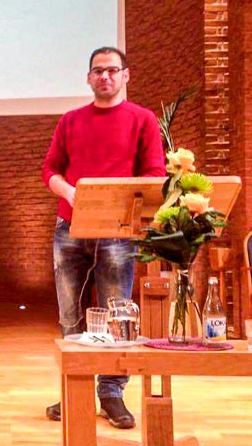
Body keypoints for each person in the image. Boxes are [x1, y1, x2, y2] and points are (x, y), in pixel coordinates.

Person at [40, 47, 165, 429]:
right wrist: (69, 192)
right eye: (98, 71)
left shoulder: (142, 119)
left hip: (118, 231)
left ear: (126, 75)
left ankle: (111, 393)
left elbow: (154, 173)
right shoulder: (71, 120)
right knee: (69, 312)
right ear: (89, 78)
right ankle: (74, 384)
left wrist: (117, 197)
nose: (105, 77)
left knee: (116, 313)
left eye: (112, 70)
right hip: (70, 226)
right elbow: (50, 170)